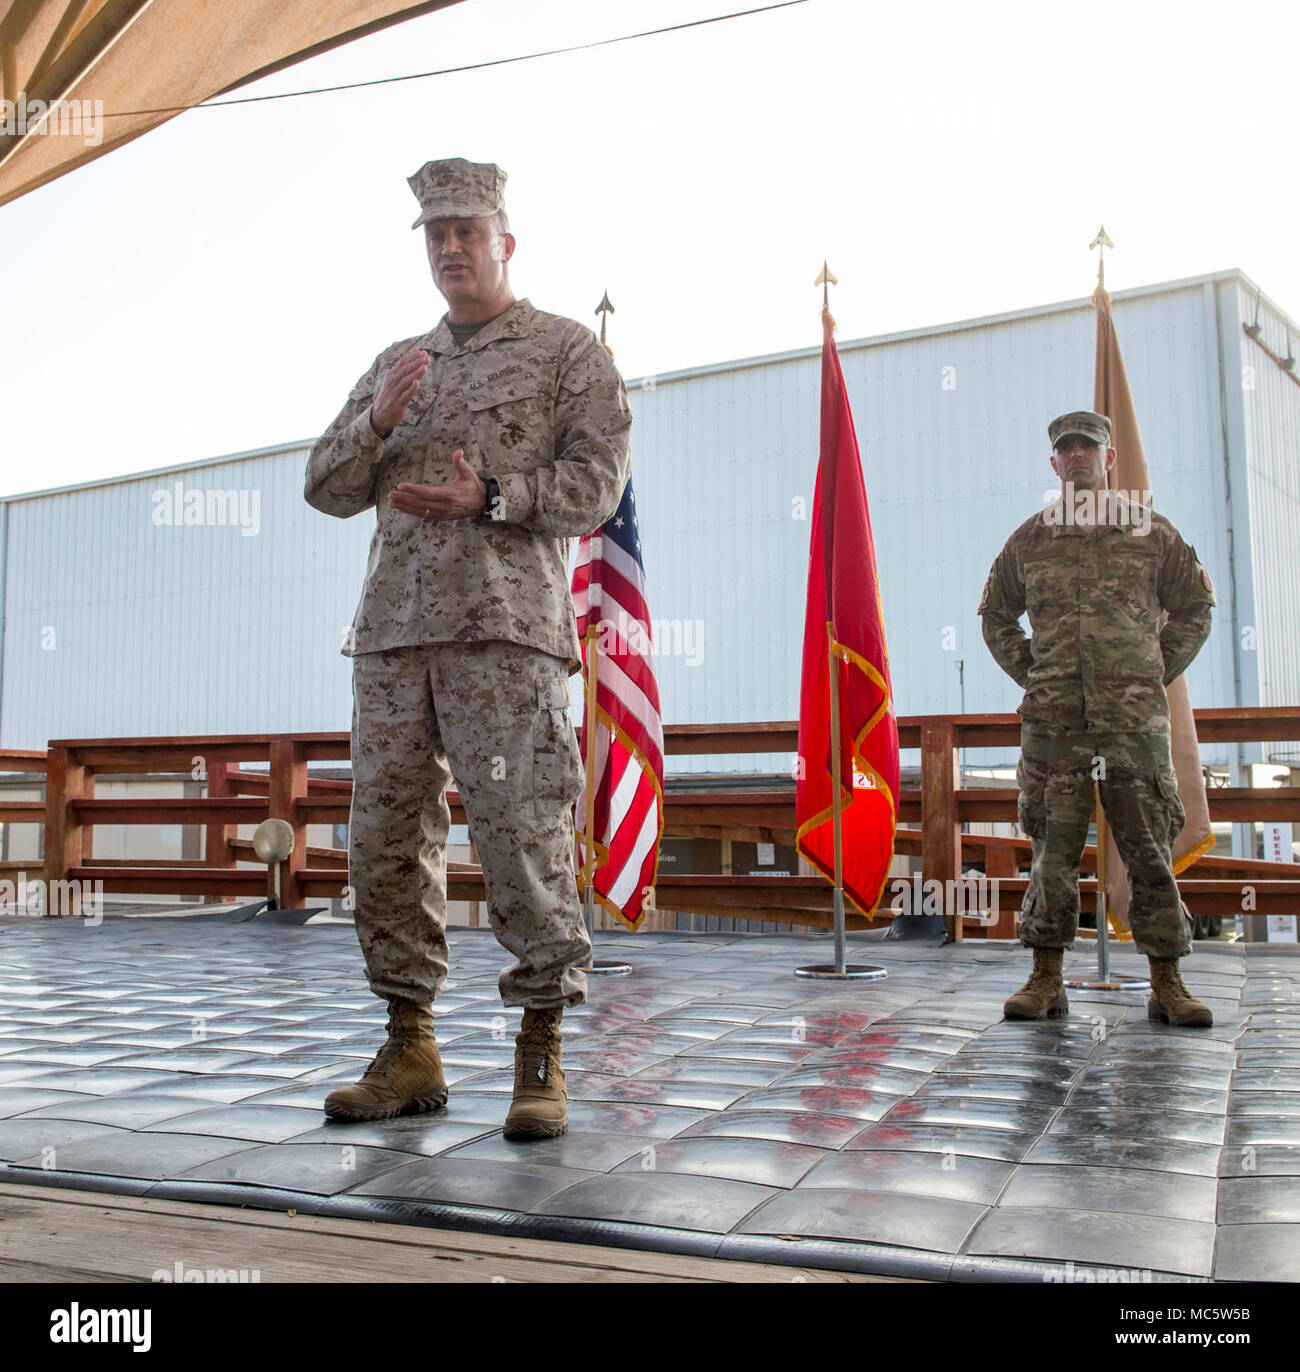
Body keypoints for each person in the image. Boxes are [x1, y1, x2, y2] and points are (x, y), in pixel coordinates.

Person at [304, 157, 632, 1137]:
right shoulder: (398, 361)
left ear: (504, 242)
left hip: (504, 633)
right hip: (396, 636)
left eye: (466, 232)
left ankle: (541, 1046)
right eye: (435, 235)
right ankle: (409, 1043)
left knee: (520, 832)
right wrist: (377, 421)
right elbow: (324, 483)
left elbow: (597, 484)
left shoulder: (567, 351)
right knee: (385, 841)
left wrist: (491, 495)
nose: (450, 247)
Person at [979, 410, 1217, 1027]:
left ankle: (1167, 982)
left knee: (1148, 850)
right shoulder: (1029, 541)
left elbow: (1195, 605)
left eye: (1089, 446)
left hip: (1132, 725)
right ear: (1054, 464)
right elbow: (994, 615)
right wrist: (1032, 673)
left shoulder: (1151, 534)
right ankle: (1045, 977)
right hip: (1055, 725)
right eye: (1067, 449)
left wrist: (1150, 671)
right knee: (1052, 852)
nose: (1078, 456)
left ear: (1109, 459)